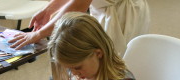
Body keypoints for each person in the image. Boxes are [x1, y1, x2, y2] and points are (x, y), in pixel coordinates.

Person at [9, 0, 150, 57]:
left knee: (112, 63)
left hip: (122, 13)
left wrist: (39, 34)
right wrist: (47, 10)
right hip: (105, 10)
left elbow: (77, 6)